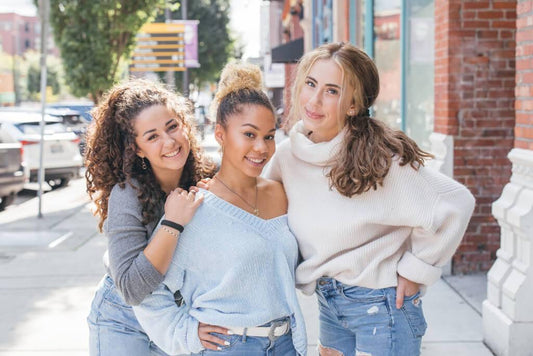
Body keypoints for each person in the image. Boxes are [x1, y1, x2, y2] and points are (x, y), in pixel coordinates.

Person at [264, 42, 476, 356]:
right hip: (329, 302)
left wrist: (416, 269)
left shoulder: (377, 159)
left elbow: (455, 202)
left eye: (332, 91)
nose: (315, 99)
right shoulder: (288, 156)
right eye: (311, 84)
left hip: (383, 305)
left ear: (352, 105)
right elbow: (258, 210)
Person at [132, 62, 307, 356]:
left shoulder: (280, 194)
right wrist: (185, 334)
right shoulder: (196, 208)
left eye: (269, 136)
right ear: (221, 134)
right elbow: (149, 295)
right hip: (228, 347)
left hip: (286, 343)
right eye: (249, 134)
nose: (262, 148)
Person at [84, 79, 216, 356]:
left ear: (184, 124)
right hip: (124, 320)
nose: (169, 142)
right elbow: (131, 290)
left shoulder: (209, 178)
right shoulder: (127, 195)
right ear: (138, 149)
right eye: (152, 136)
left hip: (177, 314)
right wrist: (172, 222)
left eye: (172, 127)